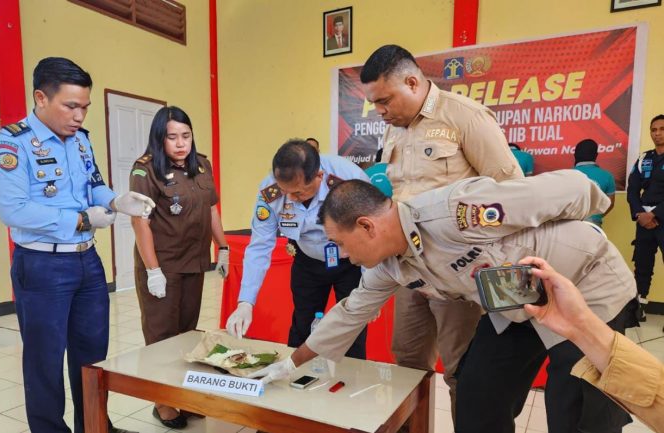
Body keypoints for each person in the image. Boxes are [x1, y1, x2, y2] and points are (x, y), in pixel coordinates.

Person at [251, 170, 638, 433]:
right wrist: (290, 363)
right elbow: (351, 311)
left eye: (340, 243)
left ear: (367, 226)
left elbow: (569, 189)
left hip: (586, 289)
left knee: (576, 408)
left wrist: (593, 216)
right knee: (477, 396)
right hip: (517, 307)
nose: (344, 256)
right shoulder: (388, 265)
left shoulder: (456, 211)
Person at [0, 57, 150, 433]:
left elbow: (93, 183)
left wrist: (115, 200)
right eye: (71, 106)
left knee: (92, 355)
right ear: (41, 98)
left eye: (85, 107)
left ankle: (93, 426)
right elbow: (14, 210)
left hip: (86, 262)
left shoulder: (80, 141)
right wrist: (82, 219)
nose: (79, 116)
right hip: (42, 266)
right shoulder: (11, 144)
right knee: (44, 361)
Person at [359, 44, 523, 417]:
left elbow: (512, 193)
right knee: (407, 360)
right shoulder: (395, 130)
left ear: (413, 82)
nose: (380, 112)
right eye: (375, 104)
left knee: (460, 367)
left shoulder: (463, 116)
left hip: (460, 270)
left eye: (385, 100)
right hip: (411, 270)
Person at [129, 106, 229, 429]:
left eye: (185, 136)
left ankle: (183, 396)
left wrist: (223, 247)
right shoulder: (145, 170)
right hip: (163, 264)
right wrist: (153, 270)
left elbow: (211, 210)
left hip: (194, 262)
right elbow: (139, 222)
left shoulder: (201, 164)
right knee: (161, 336)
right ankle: (163, 403)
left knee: (187, 335)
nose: (180, 143)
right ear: (160, 138)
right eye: (172, 137)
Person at [225, 139, 369, 359]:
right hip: (308, 262)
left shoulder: (347, 178)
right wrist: (245, 302)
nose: (290, 198)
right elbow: (260, 244)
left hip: (352, 262)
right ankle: (295, 381)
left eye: (299, 193)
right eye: (286, 191)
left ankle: (350, 385)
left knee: (352, 328)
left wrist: (370, 287)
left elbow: (370, 234)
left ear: (319, 176)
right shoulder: (270, 191)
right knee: (303, 325)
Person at [521, 256, 664, 433]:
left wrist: (581, 325)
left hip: (596, 288)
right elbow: (657, 396)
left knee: (591, 404)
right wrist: (581, 325)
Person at [627, 114, 664, 322]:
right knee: (642, 266)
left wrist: (655, 214)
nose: (657, 133)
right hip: (643, 221)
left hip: (661, 218)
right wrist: (640, 214)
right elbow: (633, 190)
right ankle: (638, 308)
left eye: (661, 129)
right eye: (653, 129)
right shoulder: (644, 158)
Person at [573, 138, 615, 226]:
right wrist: (597, 216)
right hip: (593, 223)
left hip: (570, 222)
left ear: (575, 155)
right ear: (596, 155)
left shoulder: (567, 175)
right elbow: (609, 204)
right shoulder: (607, 176)